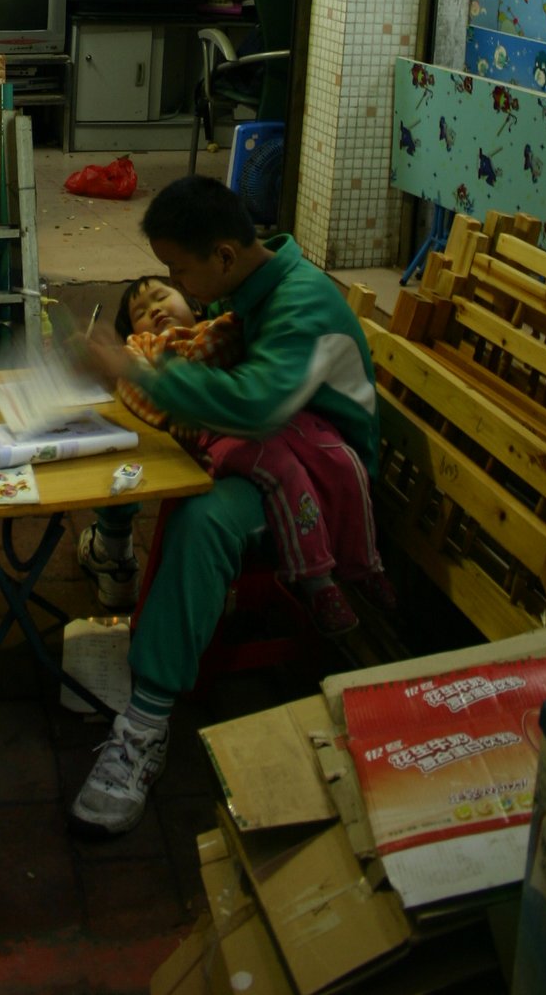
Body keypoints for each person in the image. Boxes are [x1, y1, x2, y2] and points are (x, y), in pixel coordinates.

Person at [68, 175, 386, 839]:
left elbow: (256, 405)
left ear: (221, 255)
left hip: (319, 472)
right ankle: (113, 550)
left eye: (177, 269)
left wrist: (134, 371)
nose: (173, 282)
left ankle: (143, 728)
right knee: (141, 441)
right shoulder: (252, 285)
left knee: (202, 515)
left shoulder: (301, 305)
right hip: (273, 447)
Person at [81, 274, 387, 636]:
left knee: (343, 462)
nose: (156, 310)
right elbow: (135, 387)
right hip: (221, 436)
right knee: (284, 473)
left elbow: (252, 364)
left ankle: (364, 566)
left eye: (162, 297)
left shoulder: (223, 326)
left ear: (193, 302)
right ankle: (316, 582)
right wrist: (174, 405)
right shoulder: (144, 347)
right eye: (141, 312)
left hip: (270, 425)